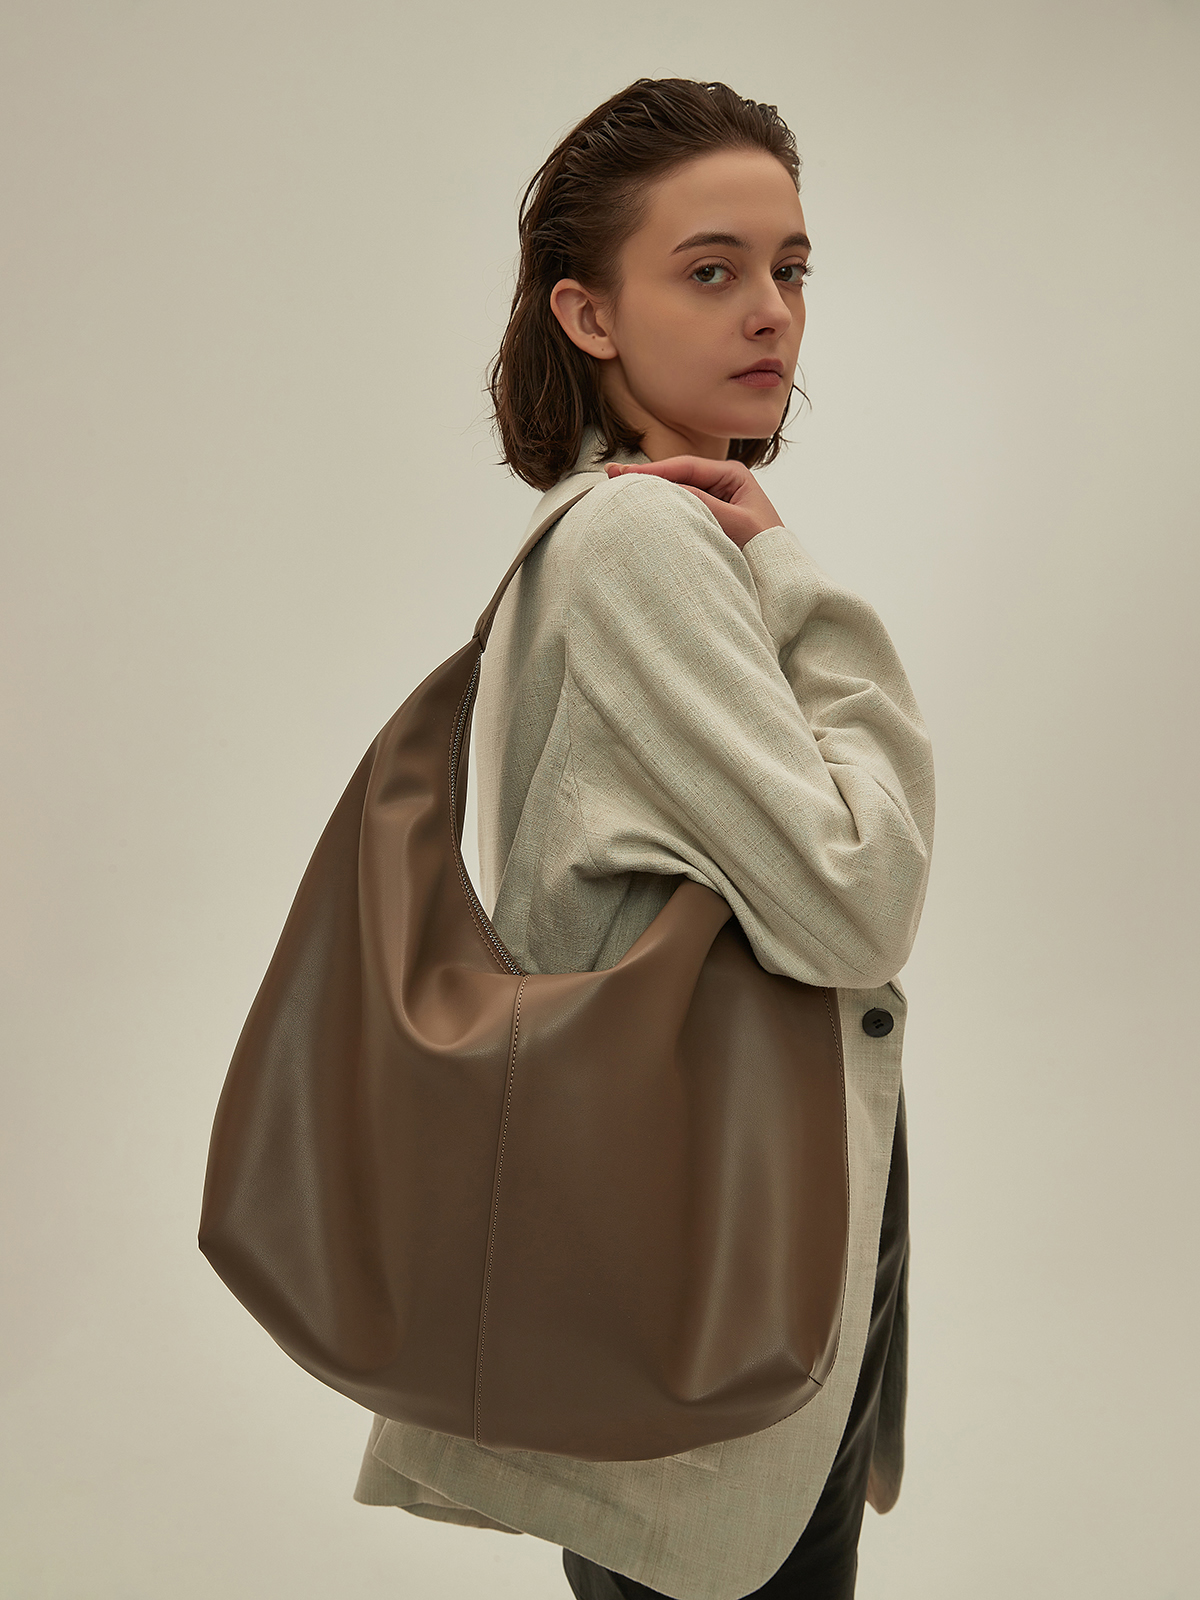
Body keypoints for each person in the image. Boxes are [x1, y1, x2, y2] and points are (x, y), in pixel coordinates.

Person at [353, 77, 934, 1600]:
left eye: (790, 267)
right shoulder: (642, 538)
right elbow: (860, 897)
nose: (770, 311)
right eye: (710, 269)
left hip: (689, 1220)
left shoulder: (607, 525)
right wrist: (802, 583)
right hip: (725, 1235)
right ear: (589, 313)